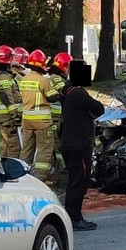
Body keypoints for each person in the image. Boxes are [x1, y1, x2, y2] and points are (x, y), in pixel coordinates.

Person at [60, 83, 105, 231]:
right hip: (78, 146)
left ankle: (71, 216)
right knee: (79, 182)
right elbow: (99, 108)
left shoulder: (67, 94)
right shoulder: (78, 93)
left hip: (70, 145)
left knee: (75, 180)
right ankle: (75, 218)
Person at [19, 49, 60, 182]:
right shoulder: (43, 81)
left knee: (27, 150)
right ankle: (39, 178)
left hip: (26, 121)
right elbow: (52, 97)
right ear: (42, 64)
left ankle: (22, 176)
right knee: (44, 149)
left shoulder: (23, 80)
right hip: (42, 122)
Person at [0, 45, 23, 158]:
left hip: (1, 118)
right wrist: (15, 114)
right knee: (14, 147)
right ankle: (13, 171)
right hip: (7, 117)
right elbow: (5, 95)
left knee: (5, 145)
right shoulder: (4, 77)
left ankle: (1, 169)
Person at [47, 52, 72, 182]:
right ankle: (60, 168)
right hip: (54, 117)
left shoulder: (57, 77)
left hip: (58, 117)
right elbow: (65, 91)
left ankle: (60, 168)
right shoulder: (55, 78)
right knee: (56, 144)